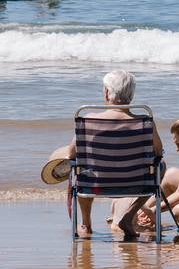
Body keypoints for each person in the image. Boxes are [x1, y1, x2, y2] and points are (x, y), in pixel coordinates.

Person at [67, 70, 163, 240]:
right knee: (160, 166)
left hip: (95, 186)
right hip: (137, 185)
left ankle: (86, 224)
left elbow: (71, 153)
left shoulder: (89, 120)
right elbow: (158, 151)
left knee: (80, 170)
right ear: (131, 95)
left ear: (106, 93)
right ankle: (128, 216)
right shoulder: (144, 122)